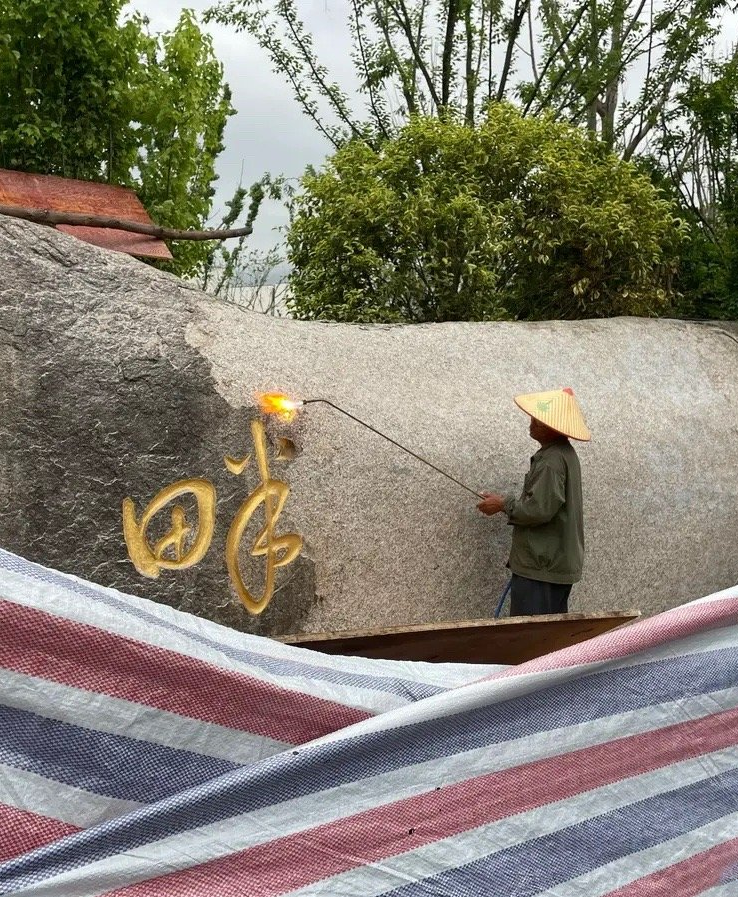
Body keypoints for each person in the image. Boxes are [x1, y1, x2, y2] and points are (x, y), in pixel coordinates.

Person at [476, 388, 590, 616]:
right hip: (551, 565)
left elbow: (538, 510)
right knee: (548, 632)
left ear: (553, 427)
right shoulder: (563, 454)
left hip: (542, 567)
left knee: (532, 635)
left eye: (539, 419)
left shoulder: (551, 461)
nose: (532, 422)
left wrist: (502, 504)